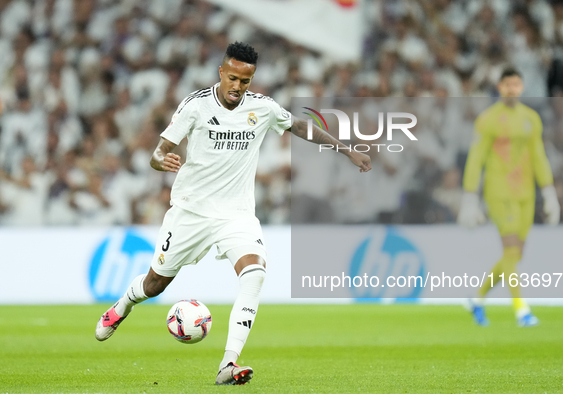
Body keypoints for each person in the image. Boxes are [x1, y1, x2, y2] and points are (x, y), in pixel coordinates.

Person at [95, 42, 371, 385]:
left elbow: (301, 127)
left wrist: (346, 151)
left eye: (245, 80)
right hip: (191, 212)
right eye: (233, 78)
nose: (238, 87)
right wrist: (160, 161)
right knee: (155, 284)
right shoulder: (195, 107)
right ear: (221, 73)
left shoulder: (263, 108)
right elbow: (159, 151)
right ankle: (121, 307)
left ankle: (228, 364)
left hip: (236, 215)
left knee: (254, 273)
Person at [458, 67, 560, 327]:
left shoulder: (531, 119)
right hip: (499, 192)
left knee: (514, 256)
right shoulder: (488, 119)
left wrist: (548, 192)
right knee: (511, 250)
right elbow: (476, 157)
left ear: (521, 87)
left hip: (526, 193)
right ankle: (521, 310)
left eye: (516, 85)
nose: (512, 89)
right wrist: (470, 196)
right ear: (500, 87)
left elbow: (539, 156)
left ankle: (477, 299)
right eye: (507, 85)